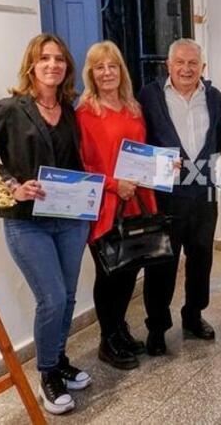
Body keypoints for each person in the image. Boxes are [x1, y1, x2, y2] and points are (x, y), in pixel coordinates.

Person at [0, 34, 90, 414]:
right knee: (51, 298)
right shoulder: (8, 108)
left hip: (69, 220)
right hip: (26, 223)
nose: (53, 64)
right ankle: (47, 373)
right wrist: (13, 187)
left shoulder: (70, 110)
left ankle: (59, 358)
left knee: (67, 296)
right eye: (45, 58)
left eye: (60, 59)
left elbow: (76, 162)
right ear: (31, 64)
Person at [137, 39, 221, 351]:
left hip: (204, 195)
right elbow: (139, 141)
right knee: (161, 262)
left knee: (201, 259)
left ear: (202, 67)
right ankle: (157, 327)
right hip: (165, 196)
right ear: (168, 65)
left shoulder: (214, 98)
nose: (187, 69)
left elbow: (218, 142)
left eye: (193, 63)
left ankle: (193, 315)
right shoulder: (149, 96)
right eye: (180, 63)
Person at [76, 41, 159, 366]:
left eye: (112, 66)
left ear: (120, 70)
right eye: (100, 67)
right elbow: (80, 164)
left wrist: (164, 168)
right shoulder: (84, 114)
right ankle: (107, 339)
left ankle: (119, 327)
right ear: (91, 73)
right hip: (105, 205)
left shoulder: (133, 107)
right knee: (108, 273)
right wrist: (113, 184)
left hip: (138, 201)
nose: (107, 72)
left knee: (129, 270)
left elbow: (141, 152)